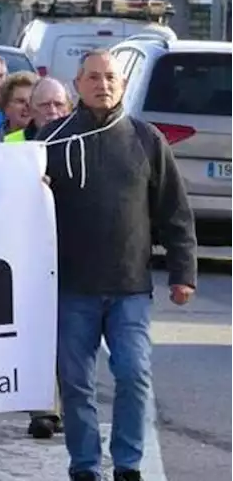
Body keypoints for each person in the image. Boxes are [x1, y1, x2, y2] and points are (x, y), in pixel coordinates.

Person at [37, 50, 197, 481]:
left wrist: (184, 274)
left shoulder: (147, 139)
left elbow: (175, 212)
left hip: (129, 286)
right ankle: (85, 466)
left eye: (110, 77)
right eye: (93, 77)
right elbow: (14, 201)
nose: (102, 84)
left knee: (133, 373)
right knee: (75, 383)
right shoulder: (50, 141)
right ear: (77, 83)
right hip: (71, 287)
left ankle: (128, 463)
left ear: (122, 85)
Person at [0, 71, 39, 143]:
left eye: (32, 100)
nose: (28, 106)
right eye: (21, 101)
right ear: (5, 106)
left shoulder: (49, 136)